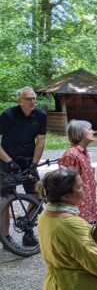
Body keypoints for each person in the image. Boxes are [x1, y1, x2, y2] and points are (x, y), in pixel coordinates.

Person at [0, 86, 47, 248]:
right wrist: (8, 161)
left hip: (27, 161)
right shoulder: (8, 115)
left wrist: (34, 164)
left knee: (37, 197)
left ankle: (27, 229)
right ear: (20, 100)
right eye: (28, 99)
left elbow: (40, 141)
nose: (33, 101)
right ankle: (6, 238)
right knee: (5, 200)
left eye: (34, 98)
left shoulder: (40, 116)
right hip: (6, 161)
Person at [58, 120, 97, 224]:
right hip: (78, 210)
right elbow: (66, 186)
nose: (93, 132)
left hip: (88, 205)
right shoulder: (71, 155)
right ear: (79, 132)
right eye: (89, 129)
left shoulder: (84, 153)